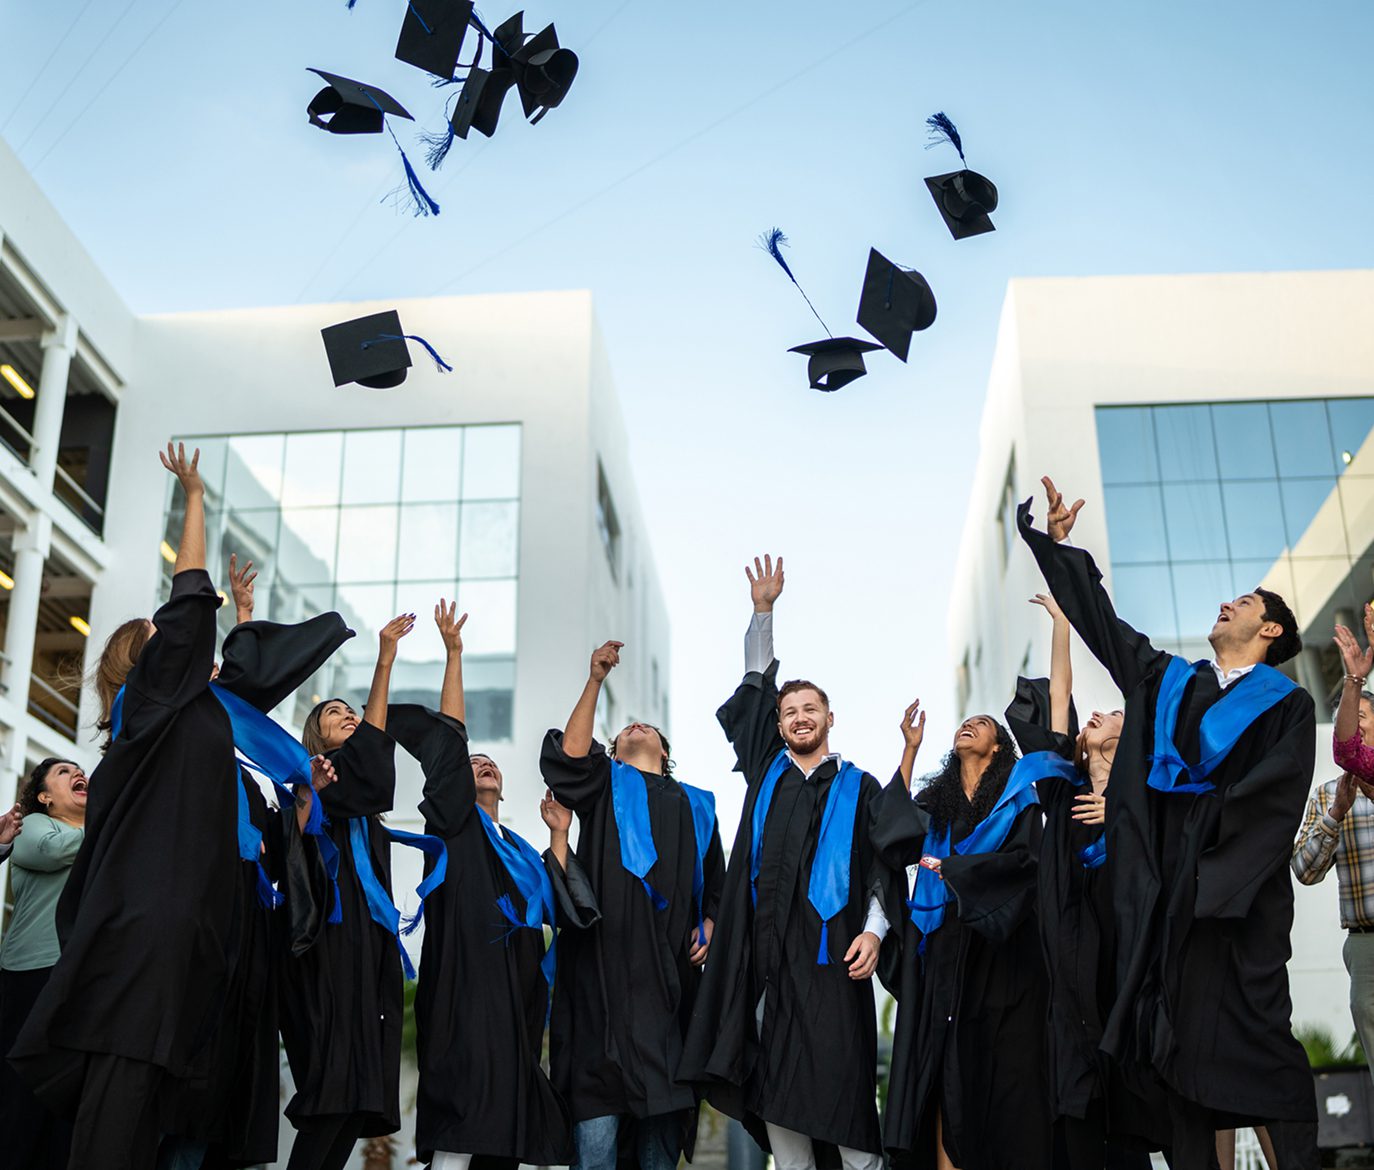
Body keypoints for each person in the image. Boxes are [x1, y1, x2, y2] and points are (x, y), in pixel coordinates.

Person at [1019, 476, 1318, 1170]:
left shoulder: (1286, 707)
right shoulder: (1171, 683)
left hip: (1231, 906)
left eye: (1242, 602)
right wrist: (1063, 549)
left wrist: (1204, 870)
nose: (1225, 604)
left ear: (1269, 630)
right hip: (1165, 906)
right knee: (1175, 1063)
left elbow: (1273, 803)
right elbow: (1105, 627)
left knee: (1266, 1059)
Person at [8, 443, 266, 1169]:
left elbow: (238, 694)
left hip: (176, 931)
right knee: (117, 1111)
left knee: (144, 1107)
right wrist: (193, 500)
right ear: (141, 662)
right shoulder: (151, 704)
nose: (184, 645)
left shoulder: (181, 717)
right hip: (146, 933)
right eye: (165, 641)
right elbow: (187, 604)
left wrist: (245, 618)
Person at [680, 555, 895, 1170]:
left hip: (832, 962)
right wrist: (763, 612)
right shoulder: (766, 772)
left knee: (849, 1106)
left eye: (811, 710)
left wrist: (876, 933)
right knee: (779, 1106)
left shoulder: (861, 787)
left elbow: (883, 865)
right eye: (789, 711)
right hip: (767, 963)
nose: (800, 718)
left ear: (831, 719)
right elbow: (753, 684)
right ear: (778, 725)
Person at [388, 600, 599, 1170]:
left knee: (508, 1135)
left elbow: (560, 906)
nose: (482, 766)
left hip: (518, 1000)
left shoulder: (523, 854)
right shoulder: (455, 827)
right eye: (473, 763)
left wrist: (559, 835)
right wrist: (455, 655)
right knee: (461, 1123)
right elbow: (450, 740)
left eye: (491, 765)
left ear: (503, 786)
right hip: (462, 983)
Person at [160, 551, 350, 1170]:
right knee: (188, 1067)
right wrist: (242, 614)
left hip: (253, 920)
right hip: (203, 905)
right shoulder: (187, 737)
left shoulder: (262, 767)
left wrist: (306, 798)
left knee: (231, 1069)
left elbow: (286, 841)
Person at [541, 639, 725, 1170]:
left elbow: (719, 885)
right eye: (624, 729)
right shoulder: (601, 783)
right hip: (600, 983)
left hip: (669, 993)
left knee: (658, 1154)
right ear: (614, 748)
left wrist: (710, 924)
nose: (636, 726)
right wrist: (596, 678)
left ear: (664, 752)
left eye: (646, 727)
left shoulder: (698, 804)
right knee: (595, 1151)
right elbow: (570, 759)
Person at [870, 700, 1048, 1170]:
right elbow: (891, 834)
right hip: (944, 951)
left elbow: (1025, 865)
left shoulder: (1018, 800)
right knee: (941, 1070)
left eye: (982, 724)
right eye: (966, 722)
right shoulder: (937, 804)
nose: (969, 724)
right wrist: (909, 752)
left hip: (999, 949)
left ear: (999, 748)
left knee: (994, 1072)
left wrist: (955, 869)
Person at [1014, 594, 1158, 1169]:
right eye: (1091, 717)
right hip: (1076, 970)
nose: (1096, 716)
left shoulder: (1147, 798)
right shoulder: (1063, 791)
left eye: (1113, 714)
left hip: (1127, 963)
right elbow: (1058, 698)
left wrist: (1121, 819)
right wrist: (1063, 625)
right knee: (1079, 1098)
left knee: (1131, 1105)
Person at [279, 611, 419, 1170]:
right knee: (332, 1092)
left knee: (355, 1100)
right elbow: (371, 750)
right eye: (336, 714)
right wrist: (384, 659)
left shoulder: (363, 804)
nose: (350, 718)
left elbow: (374, 751)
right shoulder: (316, 778)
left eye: (351, 711)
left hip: (368, 948)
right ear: (318, 737)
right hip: (328, 944)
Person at [1292, 608, 1374, 1086]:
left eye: (1363, 715)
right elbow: (1304, 870)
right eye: (1351, 715)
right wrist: (1335, 814)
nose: (1355, 723)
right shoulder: (1328, 793)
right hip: (1365, 943)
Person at [0, 759, 87, 1168]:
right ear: (45, 796)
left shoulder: (99, 837)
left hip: (82, 978)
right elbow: (53, 851)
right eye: (63, 772)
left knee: (66, 1100)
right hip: (32, 972)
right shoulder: (33, 825)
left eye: (79, 769)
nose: (76, 774)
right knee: (22, 1095)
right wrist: (110, 831)